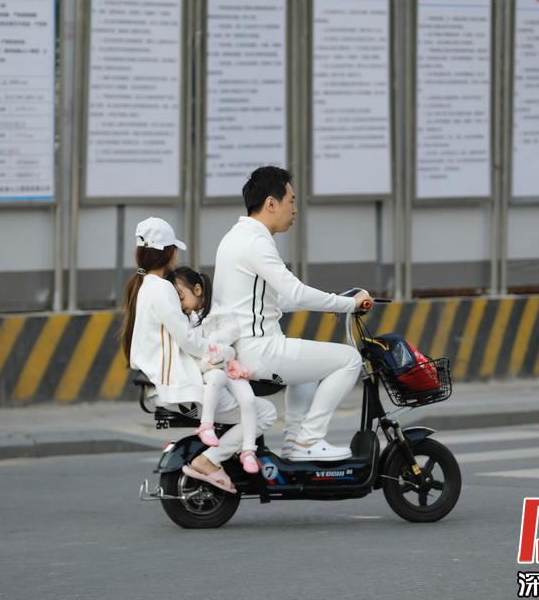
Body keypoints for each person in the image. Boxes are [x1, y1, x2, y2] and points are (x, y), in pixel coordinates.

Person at [213, 166, 371, 461]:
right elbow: (296, 292)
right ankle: (308, 440)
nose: (295, 210)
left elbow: (277, 300)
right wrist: (348, 304)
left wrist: (335, 301)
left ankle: (294, 442)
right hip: (260, 351)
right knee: (350, 360)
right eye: (292, 201)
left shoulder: (234, 238)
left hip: (240, 350)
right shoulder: (257, 243)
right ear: (271, 204)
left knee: (308, 370)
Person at [121, 217, 275, 492]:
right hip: (176, 387)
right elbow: (188, 340)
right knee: (265, 412)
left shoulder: (144, 286)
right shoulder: (162, 289)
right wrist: (225, 351)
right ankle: (210, 460)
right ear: (169, 252)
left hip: (162, 383)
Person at [167, 266, 260, 474]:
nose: (180, 305)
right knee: (216, 377)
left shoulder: (219, 313)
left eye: (181, 297)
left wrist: (215, 345)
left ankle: (248, 450)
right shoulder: (184, 320)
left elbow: (231, 332)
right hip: (210, 367)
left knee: (249, 400)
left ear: (197, 290)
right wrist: (216, 351)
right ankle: (206, 425)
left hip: (230, 366)